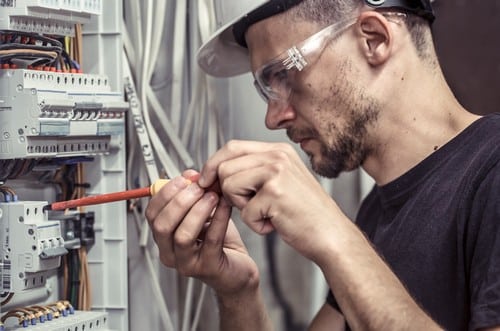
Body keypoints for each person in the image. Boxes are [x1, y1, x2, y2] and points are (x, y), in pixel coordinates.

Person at [145, 0, 500, 329]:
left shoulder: (492, 173)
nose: (273, 118)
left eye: (283, 74)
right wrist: (238, 291)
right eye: (266, 89)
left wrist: (332, 232)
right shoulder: (377, 211)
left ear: (373, 39)